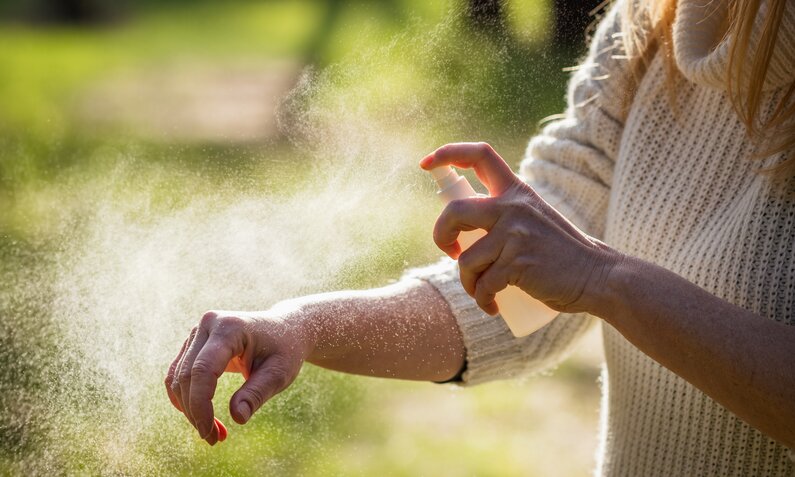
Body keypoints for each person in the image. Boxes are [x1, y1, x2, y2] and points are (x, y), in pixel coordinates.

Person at [165, 0, 795, 474]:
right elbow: (521, 302)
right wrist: (300, 327)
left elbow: (580, 274)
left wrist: (607, 282)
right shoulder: (648, 27)